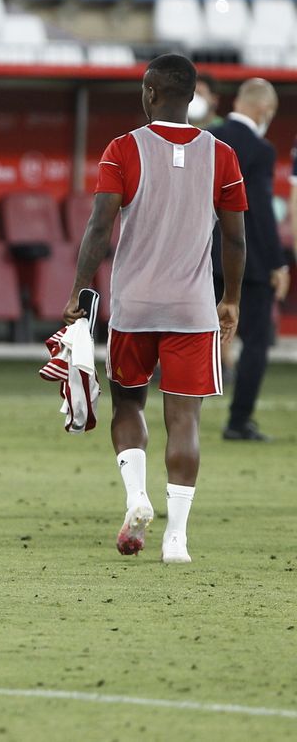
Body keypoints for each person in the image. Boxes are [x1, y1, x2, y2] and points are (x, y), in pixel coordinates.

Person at [65, 54, 246, 565]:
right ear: (192, 97)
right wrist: (230, 298)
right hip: (192, 310)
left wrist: (80, 292)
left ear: (149, 92)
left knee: (128, 405)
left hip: (134, 307)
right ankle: (177, 540)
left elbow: (99, 227)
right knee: (184, 419)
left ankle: (136, 497)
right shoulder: (223, 155)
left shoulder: (123, 149)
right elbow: (235, 237)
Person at [212, 79, 282, 441]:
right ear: (264, 110)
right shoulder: (261, 150)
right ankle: (239, 421)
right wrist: (277, 263)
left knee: (187, 336)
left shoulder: (207, 138)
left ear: (238, 101)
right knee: (255, 341)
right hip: (248, 263)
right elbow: (260, 214)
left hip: (203, 258)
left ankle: (176, 410)